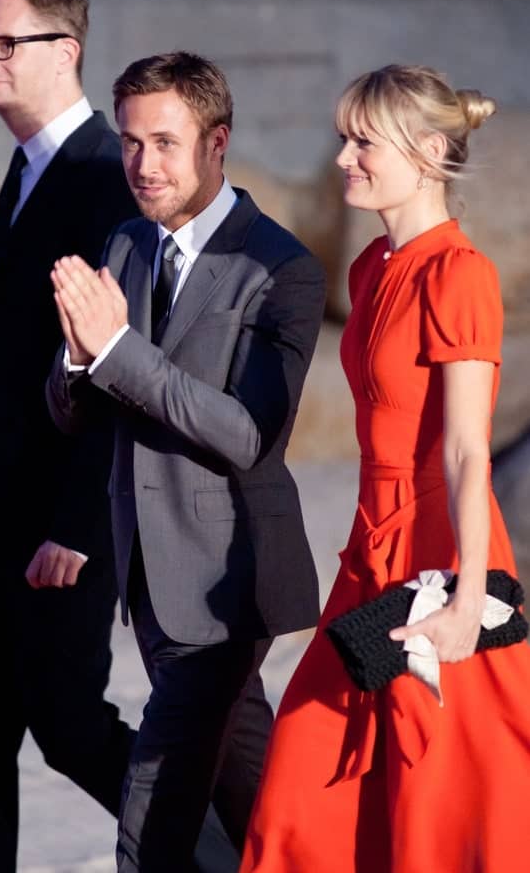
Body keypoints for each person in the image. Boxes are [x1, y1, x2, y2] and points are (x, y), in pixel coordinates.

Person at [240, 64, 530, 872]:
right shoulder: (369, 269)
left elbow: (468, 449)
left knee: (438, 805)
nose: (342, 157)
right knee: (306, 786)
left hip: (440, 562)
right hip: (370, 554)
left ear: (429, 150)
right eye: (343, 137)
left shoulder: (457, 274)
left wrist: (469, 599)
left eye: (362, 140)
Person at [46, 51, 326, 872]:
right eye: (131, 143)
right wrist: (73, 362)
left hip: (227, 583)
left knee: (155, 808)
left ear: (217, 142)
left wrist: (117, 352)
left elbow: (246, 434)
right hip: (148, 575)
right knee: (255, 795)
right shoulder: (125, 242)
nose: (142, 165)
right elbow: (74, 411)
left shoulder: (280, 267)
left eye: (165, 143)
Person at [0, 0, 138, 872]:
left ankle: (234, 851)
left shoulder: (103, 178)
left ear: (67, 52)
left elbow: (118, 375)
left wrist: (79, 528)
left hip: (54, 529)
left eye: (8, 43)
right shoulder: (26, 168)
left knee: (70, 724)